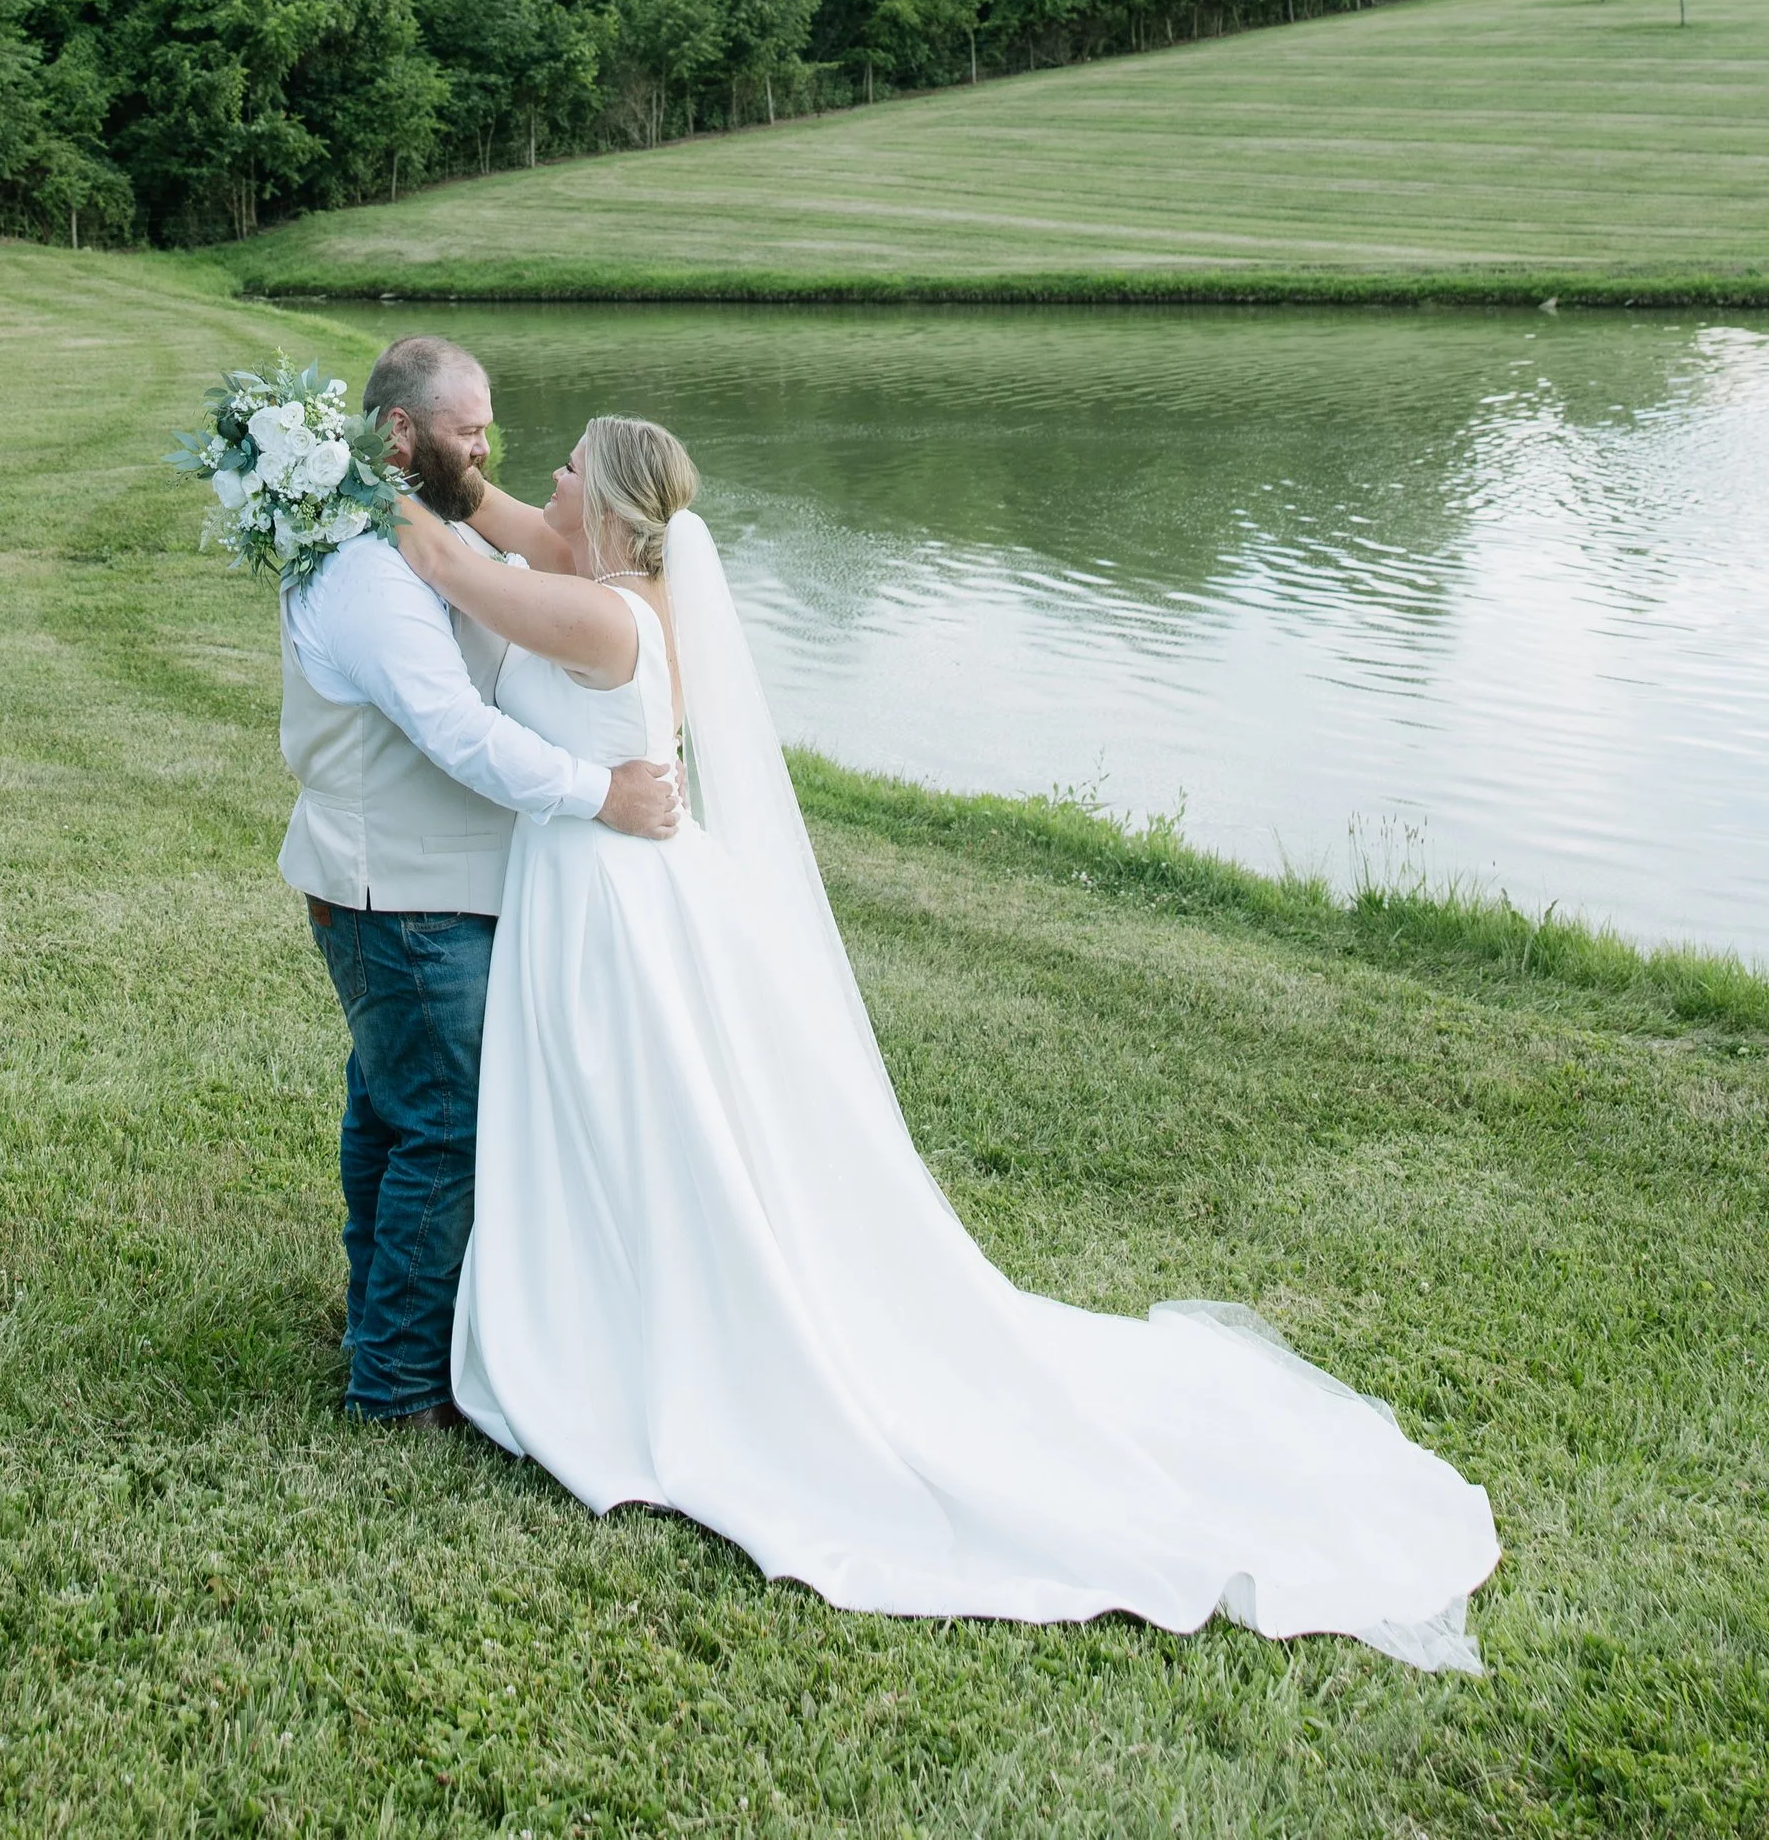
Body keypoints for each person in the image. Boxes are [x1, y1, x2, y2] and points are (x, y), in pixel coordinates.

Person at [384, 412, 1502, 1666]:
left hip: (612, 907)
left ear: (609, 505)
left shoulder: (601, 619)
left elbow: (445, 566)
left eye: (570, 466)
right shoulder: (612, 571)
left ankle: (630, 1333)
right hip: (611, 885)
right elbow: (489, 520)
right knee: (627, 1120)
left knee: (631, 1114)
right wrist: (428, 459)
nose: (549, 477)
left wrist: (311, 471)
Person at [276, 334, 680, 1427]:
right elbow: (454, 731)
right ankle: (399, 1383)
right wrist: (601, 792)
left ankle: (385, 1326)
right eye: (468, 431)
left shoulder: (444, 532)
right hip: (398, 894)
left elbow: (497, 555)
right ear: (402, 435)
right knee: (438, 1125)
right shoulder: (369, 567)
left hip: (446, 887)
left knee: (397, 1108)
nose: (494, 453)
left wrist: (361, 478)